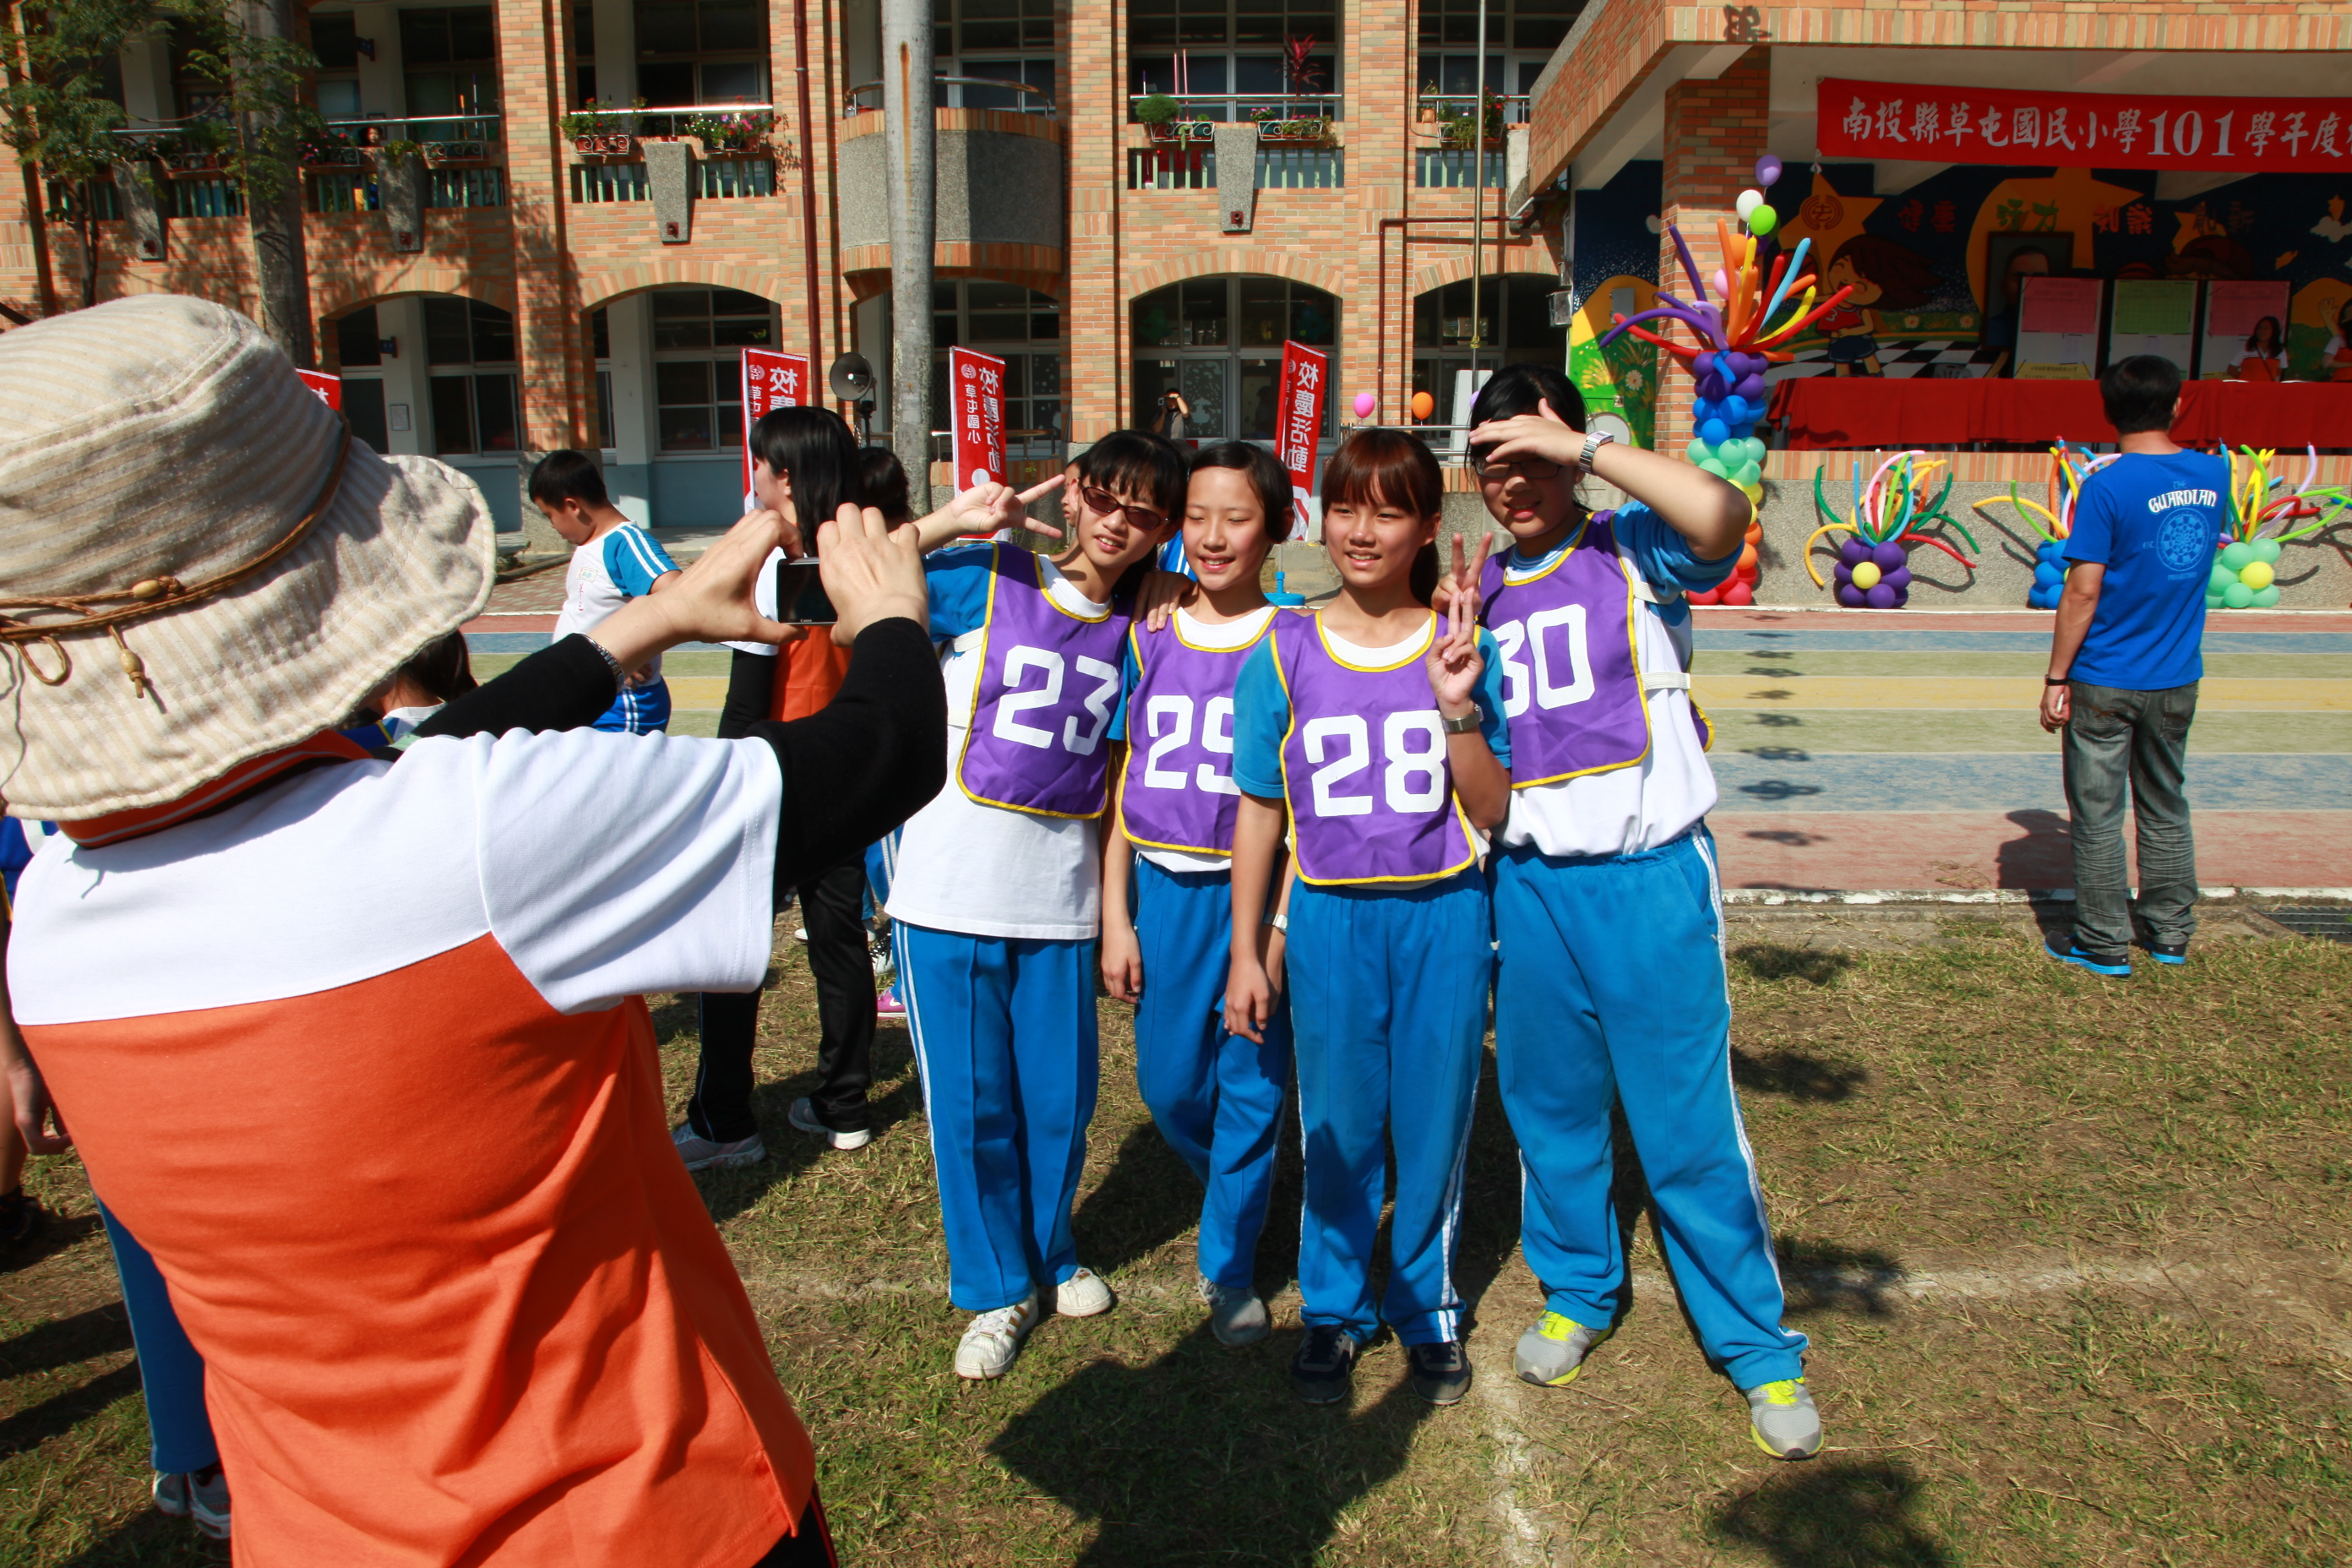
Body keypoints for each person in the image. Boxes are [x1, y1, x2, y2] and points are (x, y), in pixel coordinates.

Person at [2, 293, 944, 1565]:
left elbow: (405, 779)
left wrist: (642, 628)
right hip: (647, 1521)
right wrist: (889, 612)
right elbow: (881, 754)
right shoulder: (481, 841)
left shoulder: (55, 916)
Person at [1456, 362, 1820, 1461]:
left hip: (1650, 879)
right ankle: (1578, 1287)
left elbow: (1724, 516)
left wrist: (1586, 447)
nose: (1513, 479)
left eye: (1533, 453)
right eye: (1491, 460)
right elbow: (1489, 790)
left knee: (1685, 1117)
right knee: (1551, 1108)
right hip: (1533, 886)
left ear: (1573, 453)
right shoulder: (1480, 594)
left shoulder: (1631, 549)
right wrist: (1458, 705)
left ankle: (1755, 1343)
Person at [887, 429, 1184, 1380]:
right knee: (971, 1104)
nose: (1117, 524)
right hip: (949, 891)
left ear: (1162, 530)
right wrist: (946, 523)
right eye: (1105, 498)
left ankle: (1050, 1250)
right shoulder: (988, 576)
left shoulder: (1150, 622)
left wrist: (1113, 912)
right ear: (1073, 491)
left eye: (1144, 514)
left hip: (1059, 900)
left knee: (1059, 1100)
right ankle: (994, 1284)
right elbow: (848, 584)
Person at [1223, 427, 1511, 1409]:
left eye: (1389, 511)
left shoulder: (1461, 641)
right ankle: (1336, 1303)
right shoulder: (1283, 646)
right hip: (1332, 919)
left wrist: (1457, 705)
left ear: (1428, 526)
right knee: (1338, 1121)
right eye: (1345, 506)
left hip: (1444, 913)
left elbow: (1491, 808)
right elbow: (1259, 810)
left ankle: (1425, 1301)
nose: (1361, 529)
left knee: (1433, 1117)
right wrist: (1248, 950)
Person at [1100, 442, 1296, 1348]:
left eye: (1237, 518)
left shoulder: (1296, 638)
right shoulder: (1149, 625)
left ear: (1277, 528)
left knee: (1251, 1079)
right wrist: (1116, 916)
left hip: (1254, 894)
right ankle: (1241, 1184)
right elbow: (1119, 781)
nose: (1214, 538)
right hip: (1165, 894)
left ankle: (1230, 1260)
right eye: (1198, 518)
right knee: (1170, 1085)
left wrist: (1275, 930)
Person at [682, 408, 879, 1168]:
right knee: (839, 940)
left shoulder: (768, 563)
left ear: (785, 475)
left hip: (770, 774)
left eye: (759, 464)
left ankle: (724, 1120)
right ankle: (844, 1104)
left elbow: (746, 699)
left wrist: (715, 789)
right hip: (848, 771)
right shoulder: (863, 555)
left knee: (729, 947)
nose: (754, 477)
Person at [2038, 354, 2225, 976]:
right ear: (2177, 405)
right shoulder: (2215, 473)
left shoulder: (2107, 487)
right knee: (2165, 801)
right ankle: (2170, 932)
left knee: (2098, 814)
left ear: (2107, 409)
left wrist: (2056, 677)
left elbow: (2082, 590)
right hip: (2177, 673)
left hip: (2105, 674)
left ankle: (2103, 940)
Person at [531, 449, 683, 732]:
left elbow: (682, 599)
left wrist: (632, 652)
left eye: (549, 515)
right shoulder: (591, 544)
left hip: (622, 705)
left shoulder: (625, 543)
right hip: (589, 700)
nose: (552, 525)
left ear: (572, 506)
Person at [1818, 234, 1937, 378]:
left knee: (1869, 359)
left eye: (1862, 280)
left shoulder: (1862, 311)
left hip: (1859, 339)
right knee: (1841, 364)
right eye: (1841, 266)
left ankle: (1876, 377)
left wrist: (1850, 332)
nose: (1846, 278)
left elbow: (1868, 327)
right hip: (1840, 342)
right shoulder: (1833, 299)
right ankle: (1842, 383)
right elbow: (1816, 299)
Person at [2232, 316, 2284, 383]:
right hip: (2249, 387)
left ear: (2274, 331)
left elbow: (2280, 369)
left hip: (2268, 388)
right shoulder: (2247, 349)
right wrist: (2246, 380)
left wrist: (2264, 378)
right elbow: (2231, 370)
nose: (2262, 331)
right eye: (2259, 328)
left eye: (2266, 328)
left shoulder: (2280, 350)